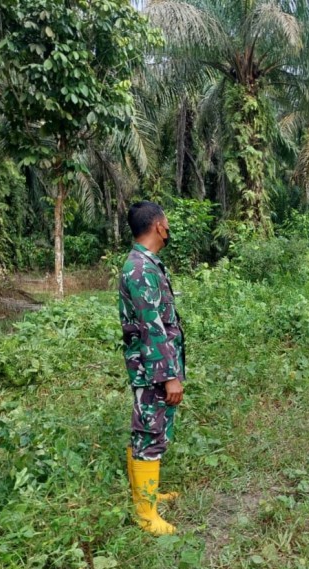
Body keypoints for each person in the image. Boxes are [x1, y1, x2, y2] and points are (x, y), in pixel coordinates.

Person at [118, 201, 185, 535]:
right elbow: (151, 326)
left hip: (152, 365)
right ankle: (145, 515)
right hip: (152, 368)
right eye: (167, 223)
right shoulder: (141, 269)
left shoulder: (145, 264)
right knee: (148, 432)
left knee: (150, 429)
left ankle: (149, 496)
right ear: (159, 226)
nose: (168, 229)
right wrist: (170, 376)